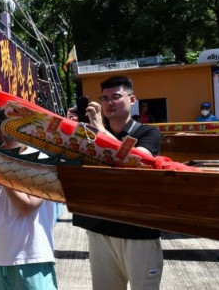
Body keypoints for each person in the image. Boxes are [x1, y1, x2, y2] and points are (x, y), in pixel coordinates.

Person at [73, 76, 163, 290]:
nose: (108, 103)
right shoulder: (90, 134)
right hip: (100, 227)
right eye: (104, 98)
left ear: (132, 99)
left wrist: (100, 131)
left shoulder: (148, 133)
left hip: (137, 230)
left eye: (115, 97)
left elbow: (134, 160)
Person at [0, 109, 58, 290]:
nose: (1, 143)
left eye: (6, 136)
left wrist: (3, 174)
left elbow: (27, 207)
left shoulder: (41, 161)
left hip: (31, 257)